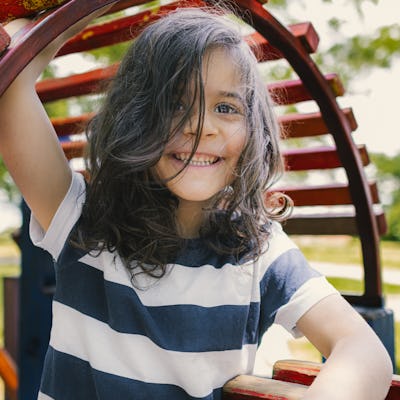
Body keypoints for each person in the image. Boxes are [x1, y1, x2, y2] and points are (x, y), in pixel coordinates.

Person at [0, 4, 393, 400]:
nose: (201, 125)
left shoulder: (259, 251)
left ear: (253, 131)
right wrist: (76, 12)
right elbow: (12, 85)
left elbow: (362, 350)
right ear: (134, 118)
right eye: (174, 102)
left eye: (226, 107)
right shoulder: (82, 221)